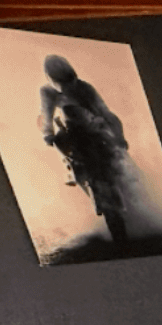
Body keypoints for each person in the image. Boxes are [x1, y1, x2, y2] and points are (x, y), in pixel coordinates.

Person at [38, 54, 132, 244]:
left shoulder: (85, 89)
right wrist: (47, 135)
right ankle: (77, 176)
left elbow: (107, 113)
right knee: (79, 168)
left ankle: (130, 189)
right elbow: (45, 116)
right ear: (51, 78)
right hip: (74, 139)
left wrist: (120, 138)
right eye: (60, 80)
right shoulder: (48, 92)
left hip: (99, 135)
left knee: (121, 166)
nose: (66, 85)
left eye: (68, 79)